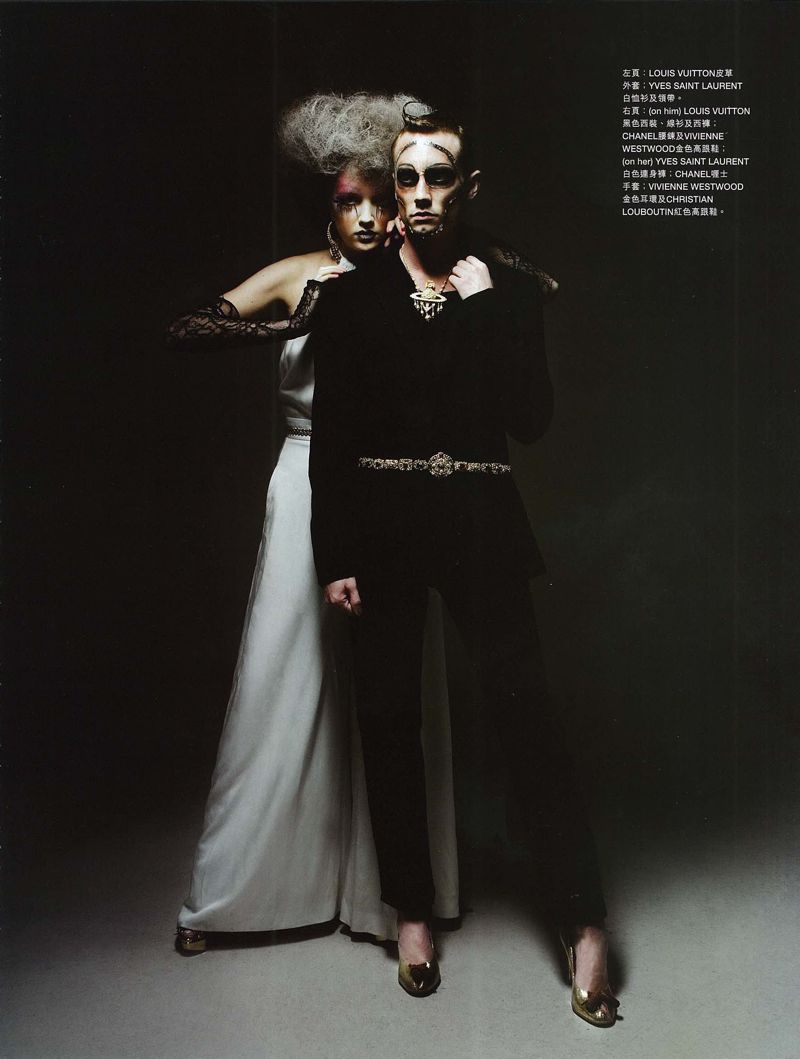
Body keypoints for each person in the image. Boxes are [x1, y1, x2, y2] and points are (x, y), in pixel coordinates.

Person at [308, 104, 619, 1024]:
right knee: (387, 718)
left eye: (438, 176)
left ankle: (585, 922)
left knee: (528, 719)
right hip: (383, 531)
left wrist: (482, 308)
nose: (419, 195)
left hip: (481, 525)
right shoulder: (353, 296)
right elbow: (333, 439)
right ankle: (411, 912)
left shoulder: (507, 291)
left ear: (467, 186)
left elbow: (532, 421)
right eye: (405, 177)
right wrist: (336, 553)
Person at [167, 93, 461, 953]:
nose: (367, 216)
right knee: (284, 670)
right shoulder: (299, 273)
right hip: (305, 482)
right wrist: (295, 320)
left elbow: (521, 281)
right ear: (325, 207)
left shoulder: (420, 273)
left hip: (393, 490)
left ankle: (396, 898)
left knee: (395, 689)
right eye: (347, 201)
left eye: (379, 197)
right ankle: (241, 897)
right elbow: (184, 328)